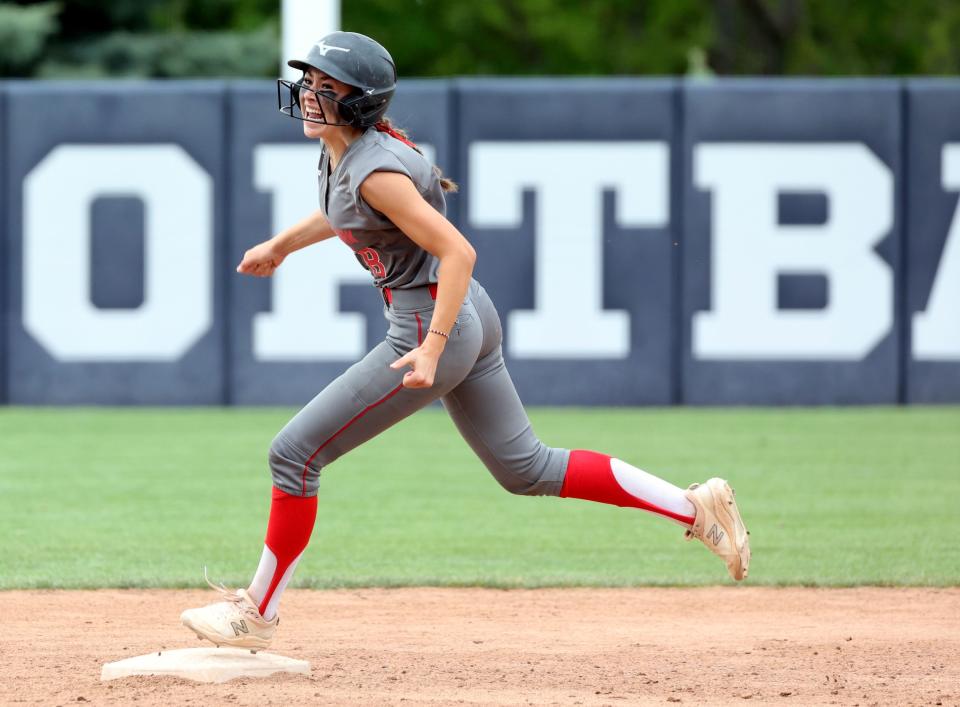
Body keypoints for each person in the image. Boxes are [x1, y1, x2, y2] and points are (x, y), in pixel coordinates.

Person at [181, 31, 751, 652]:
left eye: (327, 87)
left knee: (293, 454)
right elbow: (347, 212)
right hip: (464, 310)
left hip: (434, 323)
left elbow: (457, 249)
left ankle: (257, 613)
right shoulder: (348, 152)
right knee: (526, 468)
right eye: (310, 83)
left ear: (361, 103)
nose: (310, 95)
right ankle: (695, 507)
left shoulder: (373, 169)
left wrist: (431, 348)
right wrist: (282, 245)